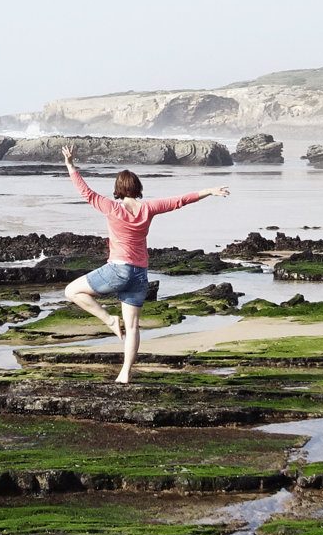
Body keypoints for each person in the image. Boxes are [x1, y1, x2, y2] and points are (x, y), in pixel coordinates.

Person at [61, 145, 229, 383]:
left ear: (118, 190)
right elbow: (179, 201)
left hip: (117, 270)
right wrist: (209, 191)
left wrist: (70, 164)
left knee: (71, 291)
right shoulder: (148, 209)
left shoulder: (111, 207)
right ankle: (125, 374)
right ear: (138, 188)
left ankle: (108, 320)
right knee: (133, 328)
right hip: (140, 274)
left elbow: (86, 192)